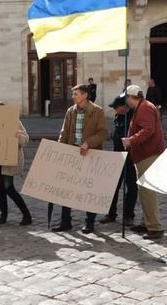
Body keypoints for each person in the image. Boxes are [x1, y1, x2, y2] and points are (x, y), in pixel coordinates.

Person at [52, 85, 108, 234]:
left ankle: (89, 223)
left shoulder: (97, 111)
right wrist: (59, 150)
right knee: (66, 188)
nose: (73, 96)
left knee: (89, 189)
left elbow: (103, 133)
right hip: (72, 154)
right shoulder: (71, 111)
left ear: (84, 95)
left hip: (90, 154)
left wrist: (88, 142)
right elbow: (64, 132)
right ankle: (65, 222)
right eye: (73, 94)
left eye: (76, 94)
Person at [121, 85, 165, 240]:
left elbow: (148, 130)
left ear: (132, 97)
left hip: (148, 154)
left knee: (148, 191)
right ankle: (146, 222)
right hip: (145, 154)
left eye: (126, 98)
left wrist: (130, 140)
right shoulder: (143, 107)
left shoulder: (145, 108)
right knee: (144, 191)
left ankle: (155, 227)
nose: (126, 101)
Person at [99, 94, 138, 226]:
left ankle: (128, 215)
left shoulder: (133, 118)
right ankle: (110, 213)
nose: (114, 109)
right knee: (112, 188)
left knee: (131, 188)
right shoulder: (117, 117)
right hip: (116, 157)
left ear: (124, 107)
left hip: (129, 158)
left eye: (116, 107)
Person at [0, 101, 32, 226]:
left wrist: (18, 136)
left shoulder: (14, 121)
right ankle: (3, 215)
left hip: (9, 160)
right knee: (0, 188)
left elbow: (26, 139)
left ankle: (26, 215)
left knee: (8, 188)